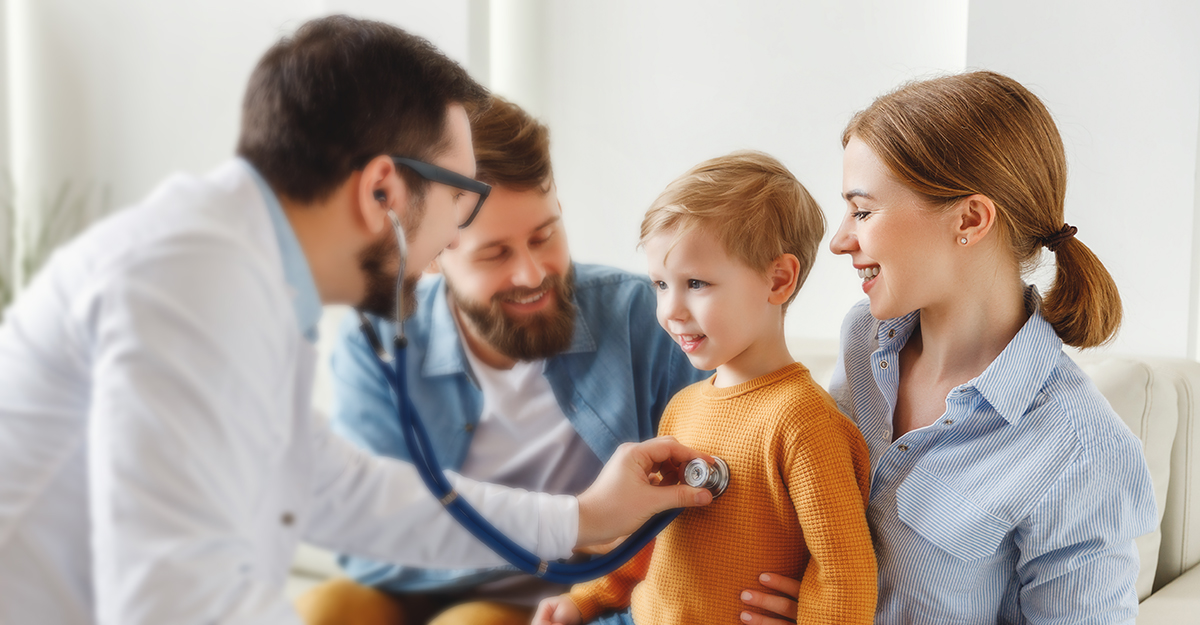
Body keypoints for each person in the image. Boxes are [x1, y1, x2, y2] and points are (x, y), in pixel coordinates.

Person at [0, 16, 715, 625]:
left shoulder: (250, 276)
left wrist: (578, 519)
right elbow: (174, 594)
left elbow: (338, 488)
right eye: (460, 205)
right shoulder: (193, 282)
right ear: (382, 188)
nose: (442, 253)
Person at [739, 71, 1157, 623]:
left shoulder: (1081, 452)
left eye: (862, 211)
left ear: (969, 219)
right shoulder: (864, 342)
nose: (840, 240)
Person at [295, 96, 707, 625]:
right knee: (324, 611)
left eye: (545, 234)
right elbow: (366, 544)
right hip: (435, 585)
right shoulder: (375, 340)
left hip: (576, 600)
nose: (533, 273)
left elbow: (733, 470)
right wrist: (570, 533)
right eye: (495, 254)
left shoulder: (646, 320)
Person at [534, 152, 878, 625]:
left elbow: (845, 576)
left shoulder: (803, 420)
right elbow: (653, 535)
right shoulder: (683, 407)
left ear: (778, 279)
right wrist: (588, 598)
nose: (670, 310)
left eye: (695, 283)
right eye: (660, 284)